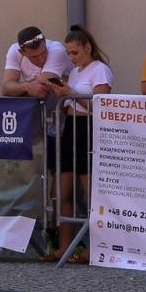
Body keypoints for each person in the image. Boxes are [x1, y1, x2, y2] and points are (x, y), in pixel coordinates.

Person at [51, 25, 113, 263]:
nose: (72, 58)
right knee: (62, 190)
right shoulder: (76, 72)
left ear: (88, 48)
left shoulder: (100, 70)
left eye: (75, 52)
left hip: (88, 129)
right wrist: (64, 96)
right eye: (68, 54)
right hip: (71, 128)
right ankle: (64, 246)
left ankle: (95, 247)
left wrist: (70, 93)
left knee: (90, 191)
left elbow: (100, 107)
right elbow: (71, 102)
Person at [1, 26, 67, 98]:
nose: (41, 60)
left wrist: (19, 88)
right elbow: (6, 88)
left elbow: (43, 86)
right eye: (34, 57)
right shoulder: (14, 51)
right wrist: (26, 87)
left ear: (45, 42)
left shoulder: (57, 50)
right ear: (22, 52)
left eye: (44, 52)